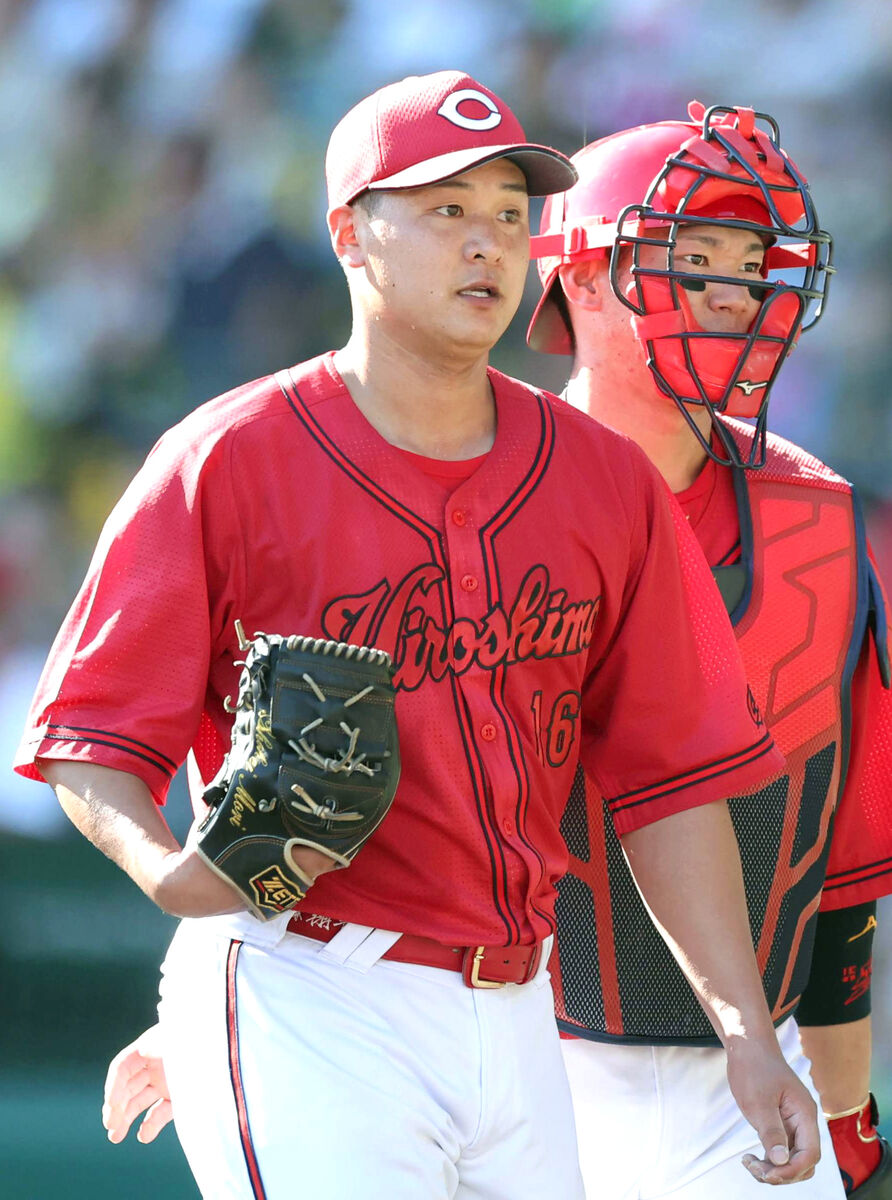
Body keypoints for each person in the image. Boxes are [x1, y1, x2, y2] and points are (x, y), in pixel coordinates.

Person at [18, 74, 819, 1199]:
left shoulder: (602, 483)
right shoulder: (228, 459)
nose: (487, 243)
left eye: (506, 212)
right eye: (445, 210)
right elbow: (92, 736)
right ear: (351, 234)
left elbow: (672, 779)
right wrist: (168, 876)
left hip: (518, 1012)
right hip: (312, 985)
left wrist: (744, 1030)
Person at [525, 100, 892, 1199]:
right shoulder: (477, 498)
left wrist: (848, 1111)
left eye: (751, 262)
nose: (734, 293)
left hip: (745, 1089)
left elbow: (839, 875)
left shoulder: (822, 517)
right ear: (582, 278)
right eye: (695, 260)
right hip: (497, 1066)